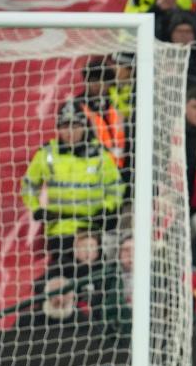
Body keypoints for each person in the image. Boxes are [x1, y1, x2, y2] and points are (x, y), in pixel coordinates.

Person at [21, 102, 124, 263]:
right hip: (59, 229)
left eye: (75, 125)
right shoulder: (47, 153)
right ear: (58, 128)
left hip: (90, 228)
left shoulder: (99, 154)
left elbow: (116, 185)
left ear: (84, 126)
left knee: (90, 271)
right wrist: (37, 209)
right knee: (61, 272)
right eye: (64, 126)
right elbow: (28, 185)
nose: (70, 132)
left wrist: (108, 208)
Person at [75, 60, 126, 170]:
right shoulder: (78, 106)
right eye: (93, 81)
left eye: (103, 81)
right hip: (94, 165)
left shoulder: (116, 104)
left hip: (121, 165)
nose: (98, 85)